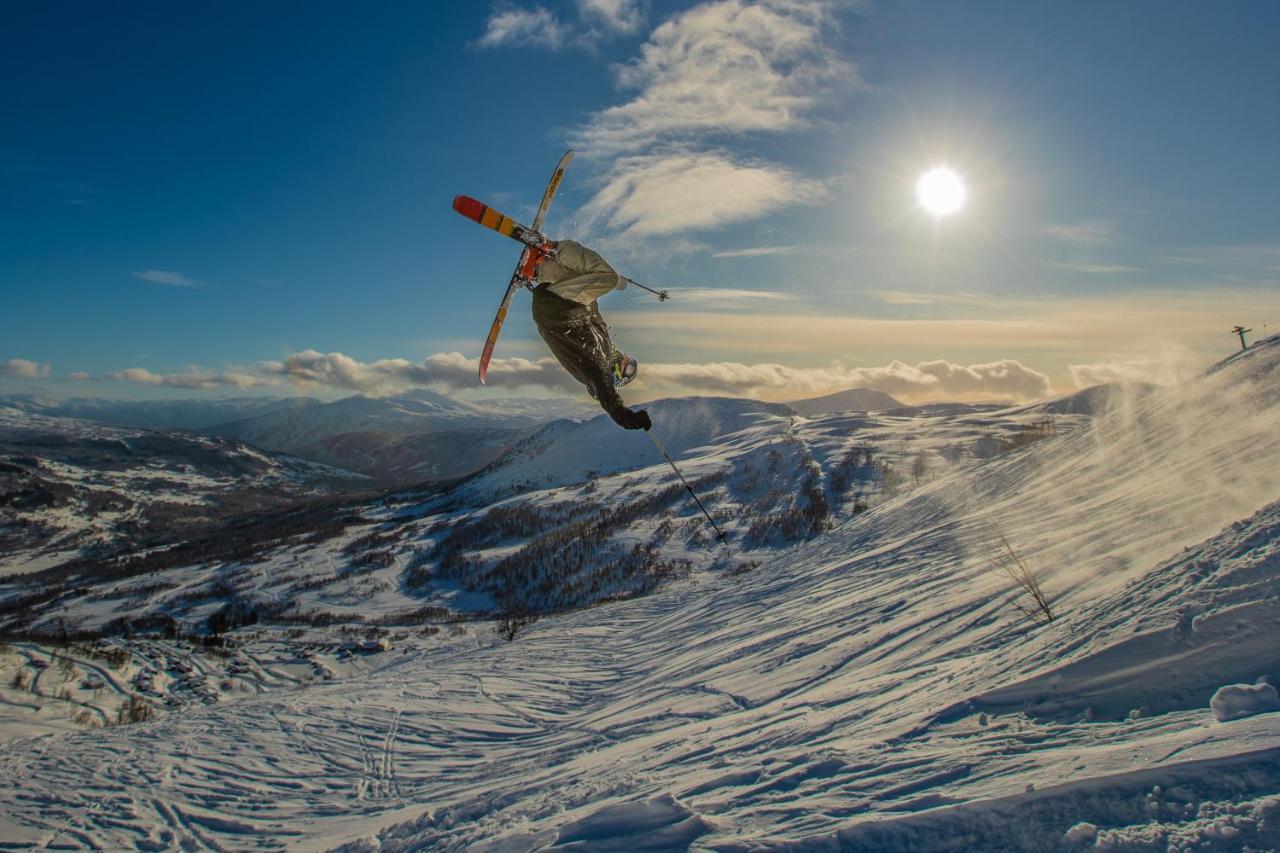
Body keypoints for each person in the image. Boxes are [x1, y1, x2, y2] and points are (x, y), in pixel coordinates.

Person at [531, 240, 651, 431]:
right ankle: (537, 269)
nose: (627, 361)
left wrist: (626, 418)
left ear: (618, 375)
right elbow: (593, 312)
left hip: (559, 312)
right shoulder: (605, 347)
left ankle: (556, 248)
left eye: (628, 369)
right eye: (631, 363)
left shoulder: (599, 370)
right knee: (585, 275)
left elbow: (608, 396)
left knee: (607, 278)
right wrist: (597, 287)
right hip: (559, 306)